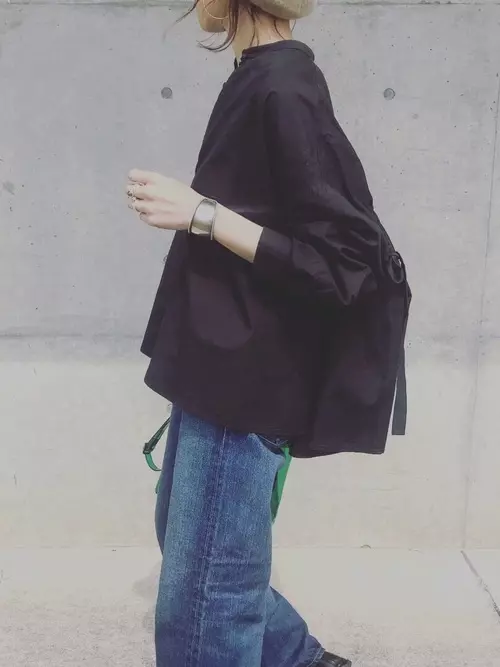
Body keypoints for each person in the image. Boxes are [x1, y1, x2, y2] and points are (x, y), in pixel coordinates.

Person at [126, 0, 410, 665]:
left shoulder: (284, 86)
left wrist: (200, 213)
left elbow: (344, 261)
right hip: (219, 369)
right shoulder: (259, 74)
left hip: (243, 384)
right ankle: (297, 657)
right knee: (192, 546)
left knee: (206, 594)